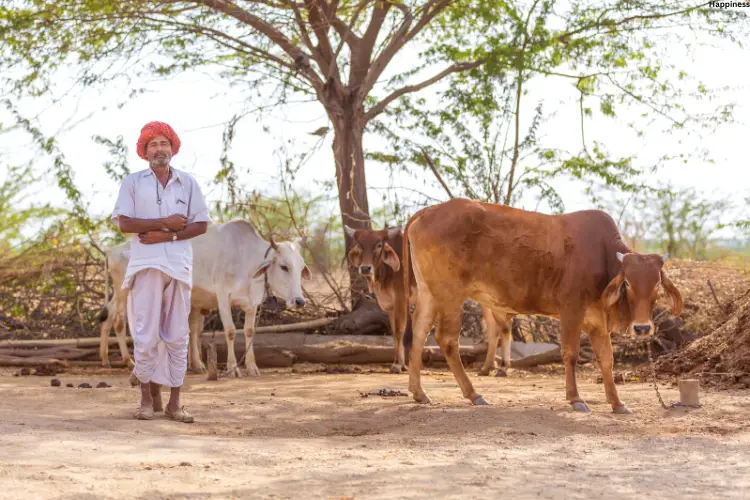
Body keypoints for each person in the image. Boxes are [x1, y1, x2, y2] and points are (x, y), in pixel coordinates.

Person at [111, 121, 210, 422]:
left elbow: (201, 224)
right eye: (152, 144)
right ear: (144, 151)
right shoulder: (133, 182)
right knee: (145, 334)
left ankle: (174, 404)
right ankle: (145, 400)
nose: (159, 149)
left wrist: (169, 236)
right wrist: (164, 222)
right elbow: (125, 223)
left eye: (164, 143)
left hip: (178, 266)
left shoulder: (188, 182)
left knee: (178, 335)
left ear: (172, 149)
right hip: (146, 265)